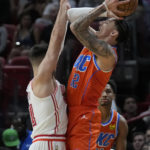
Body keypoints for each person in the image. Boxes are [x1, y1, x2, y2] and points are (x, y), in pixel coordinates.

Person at [66, 0, 130, 149]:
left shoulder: (108, 53)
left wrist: (104, 6)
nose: (101, 22)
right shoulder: (95, 41)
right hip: (72, 110)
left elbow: (75, 27)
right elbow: (71, 16)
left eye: (107, 21)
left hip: (85, 115)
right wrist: (106, 12)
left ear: (114, 33)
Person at [26, 0, 70, 149]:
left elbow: (59, 46)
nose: (56, 60)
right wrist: (62, 10)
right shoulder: (42, 80)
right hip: (49, 143)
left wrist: (64, 16)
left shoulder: (44, 81)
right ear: (46, 62)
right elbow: (56, 42)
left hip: (49, 142)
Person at [96, 80, 128, 150]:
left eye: (108, 91)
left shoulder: (121, 122)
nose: (104, 95)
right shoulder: (86, 118)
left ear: (114, 96)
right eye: (101, 91)